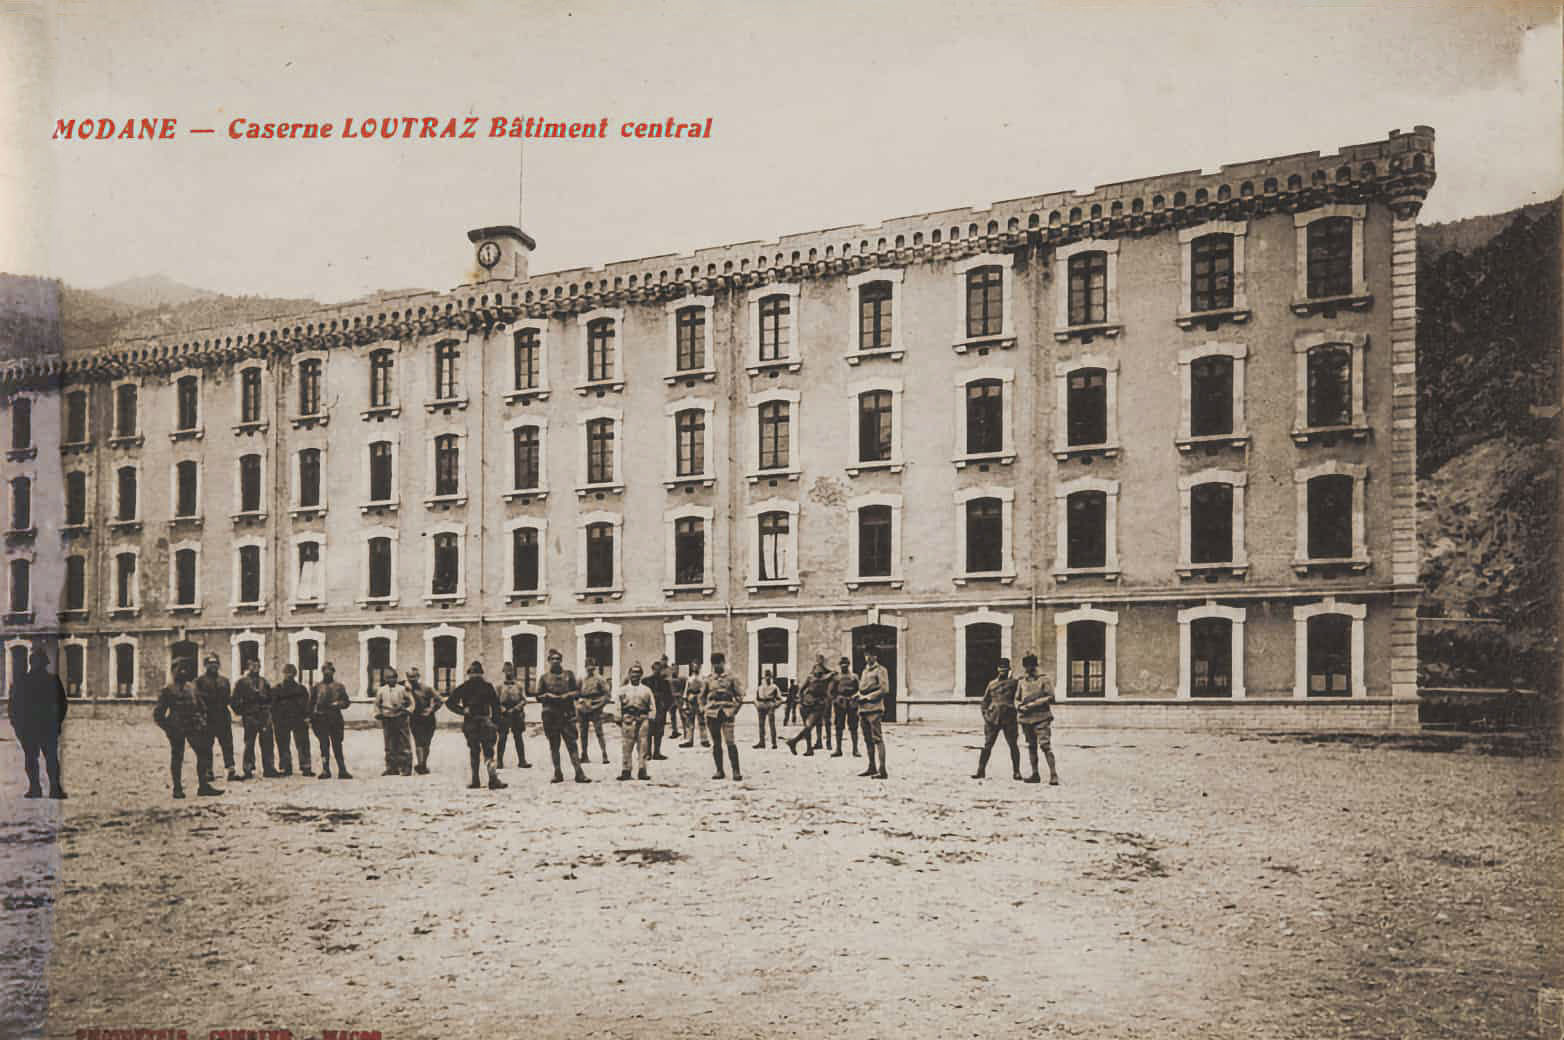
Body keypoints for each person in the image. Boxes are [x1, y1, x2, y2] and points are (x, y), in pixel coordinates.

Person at [152, 660, 220, 799]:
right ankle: (177, 788)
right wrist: (168, 728)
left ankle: (204, 786)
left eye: (185, 669)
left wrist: (202, 720)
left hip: (194, 726)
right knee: (177, 757)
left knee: (203, 753)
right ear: (173, 671)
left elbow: (201, 707)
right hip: (176, 728)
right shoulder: (168, 690)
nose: (182, 672)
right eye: (179, 669)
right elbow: (158, 714)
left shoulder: (192, 687)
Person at [9, 649, 68, 799]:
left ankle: (35, 788)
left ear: (31, 664)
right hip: (48, 727)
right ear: (45, 664)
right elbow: (62, 705)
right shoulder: (53, 680)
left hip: (28, 729)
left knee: (31, 758)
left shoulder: (22, 681)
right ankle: (54, 789)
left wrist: (18, 727)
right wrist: (57, 723)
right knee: (51, 759)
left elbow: (13, 707)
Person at [445, 661, 507, 790]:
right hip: (479, 722)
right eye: (474, 673)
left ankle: (480, 780)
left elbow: (450, 703)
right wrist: (495, 722)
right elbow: (495, 707)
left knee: (477, 751)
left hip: (477, 722)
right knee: (486, 751)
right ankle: (489, 779)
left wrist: (462, 710)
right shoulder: (482, 686)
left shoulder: (468, 686)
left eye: (476, 673)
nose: (475, 676)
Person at [536, 649, 590, 783]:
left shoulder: (569, 675)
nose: (555, 661)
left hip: (566, 714)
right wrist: (548, 696)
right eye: (553, 659)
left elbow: (578, 692)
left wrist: (568, 695)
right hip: (551, 715)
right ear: (549, 661)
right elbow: (538, 696)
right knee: (554, 745)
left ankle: (579, 773)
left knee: (572, 744)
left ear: (561, 660)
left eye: (558, 659)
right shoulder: (544, 678)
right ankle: (557, 773)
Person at [972, 657, 1022, 781]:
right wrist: (985, 715)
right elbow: (984, 701)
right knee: (987, 745)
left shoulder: (1014, 683)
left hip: (1009, 717)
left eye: (1005, 669)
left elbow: (1021, 695)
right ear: (997, 669)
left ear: (1009, 669)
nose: (1002, 671)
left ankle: (1016, 772)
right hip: (992, 718)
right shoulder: (992, 684)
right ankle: (981, 770)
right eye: (1001, 669)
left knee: (1013, 745)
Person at [1014, 654, 1060, 785]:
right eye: (1026, 666)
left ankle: (1053, 774)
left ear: (1035, 666)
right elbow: (1017, 698)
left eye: (1031, 666)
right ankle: (1035, 774)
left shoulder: (1044, 679)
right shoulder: (1021, 681)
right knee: (1031, 746)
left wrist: (1032, 705)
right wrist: (1019, 707)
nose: (1028, 668)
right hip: (1026, 719)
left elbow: (1050, 696)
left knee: (1045, 746)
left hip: (1041, 717)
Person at [194, 653, 240, 783]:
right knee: (207, 745)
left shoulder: (224, 681)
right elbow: (196, 699)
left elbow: (229, 698)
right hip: (207, 716)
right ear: (205, 665)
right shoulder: (199, 681)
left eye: (215, 663)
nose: (213, 666)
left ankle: (230, 769)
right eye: (210, 663)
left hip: (223, 716)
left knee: (227, 744)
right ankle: (208, 771)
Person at [232, 657, 280, 779]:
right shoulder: (241, 683)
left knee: (268, 742)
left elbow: (271, 698)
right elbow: (234, 700)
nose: (255, 668)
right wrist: (242, 711)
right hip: (250, 716)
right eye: (253, 665)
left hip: (264, 715)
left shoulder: (264, 682)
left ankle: (269, 768)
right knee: (249, 743)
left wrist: (269, 709)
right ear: (248, 667)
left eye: (258, 666)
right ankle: (248, 768)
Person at [702, 653, 743, 781]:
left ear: (723, 663)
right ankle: (719, 770)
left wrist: (734, 710)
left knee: (730, 742)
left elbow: (740, 696)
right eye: (714, 663)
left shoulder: (731, 678)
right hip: (712, 714)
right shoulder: (708, 679)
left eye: (719, 662)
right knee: (716, 743)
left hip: (727, 713)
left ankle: (736, 771)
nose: (717, 665)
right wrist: (704, 708)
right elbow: (701, 697)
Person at [308, 662, 352, 779]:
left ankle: (342, 770)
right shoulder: (317, 687)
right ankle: (325, 770)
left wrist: (339, 704)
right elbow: (311, 704)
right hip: (321, 719)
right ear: (322, 672)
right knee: (323, 746)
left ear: (333, 672)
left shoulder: (339, 687)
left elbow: (346, 702)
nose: (327, 673)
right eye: (325, 670)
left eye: (330, 670)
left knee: (337, 745)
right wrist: (311, 719)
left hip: (335, 718)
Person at [271, 663, 313, 776]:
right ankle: (286, 766)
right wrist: (274, 719)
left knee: (303, 743)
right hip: (282, 720)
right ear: (283, 674)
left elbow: (306, 705)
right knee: (283, 744)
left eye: (291, 673)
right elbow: (272, 706)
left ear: (295, 674)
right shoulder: (277, 689)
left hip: (298, 719)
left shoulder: (301, 689)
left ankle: (306, 766)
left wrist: (307, 717)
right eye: (286, 673)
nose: (289, 675)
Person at [373, 668, 415, 776]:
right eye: (388, 677)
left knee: (404, 743)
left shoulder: (402, 689)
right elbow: (377, 704)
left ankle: (406, 768)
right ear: (385, 679)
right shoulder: (381, 690)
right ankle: (391, 768)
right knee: (389, 744)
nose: (391, 680)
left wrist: (408, 711)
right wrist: (378, 713)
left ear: (396, 678)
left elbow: (411, 702)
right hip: (387, 718)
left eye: (393, 677)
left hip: (400, 718)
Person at [785, 659, 831, 756]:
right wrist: (801, 701)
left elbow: (834, 673)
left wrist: (825, 667)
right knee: (807, 727)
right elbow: (801, 690)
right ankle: (809, 748)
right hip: (806, 705)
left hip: (818, 706)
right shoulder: (810, 678)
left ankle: (794, 741)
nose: (818, 672)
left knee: (809, 726)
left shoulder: (826, 678)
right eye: (816, 669)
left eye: (820, 670)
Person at [616, 663, 654, 781]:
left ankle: (642, 770)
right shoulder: (623, 690)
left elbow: (652, 706)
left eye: (638, 673)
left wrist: (650, 717)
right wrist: (619, 718)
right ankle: (626, 770)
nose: (635, 675)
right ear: (629, 674)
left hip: (642, 718)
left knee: (643, 745)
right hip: (628, 719)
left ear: (641, 675)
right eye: (633, 672)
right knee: (626, 745)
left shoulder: (646, 690)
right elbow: (618, 705)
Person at [856, 648, 890, 780]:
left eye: (870, 655)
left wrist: (868, 697)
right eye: (866, 655)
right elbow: (862, 688)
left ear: (876, 656)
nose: (868, 658)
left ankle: (882, 770)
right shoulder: (865, 671)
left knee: (877, 739)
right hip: (863, 709)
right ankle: (871, 767)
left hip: (874, 709)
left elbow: (884, 689)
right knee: (867, 740)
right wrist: (858, 696)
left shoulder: (881, 670)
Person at [495, 661, 531, 769]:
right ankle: (499, 762)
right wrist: (503, 709)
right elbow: (495, 701)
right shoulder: (499, 686)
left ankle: (522, 761)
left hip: (517, 714)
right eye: (506, 670)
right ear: (503, 672)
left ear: (513, 671)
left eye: (510, 670)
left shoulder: (519, 686)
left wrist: (516, 708)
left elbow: (524, 700)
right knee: (502, 738)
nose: (509, 673)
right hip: (504, 715)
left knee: (518, 737)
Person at [406, 666, 441, 775]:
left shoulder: (427, 688)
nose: (412, 679)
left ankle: (423, 763)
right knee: (418, 741)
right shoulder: (405, 689)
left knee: (426, 742)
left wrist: (431, 710)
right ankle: (421, 765)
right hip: (415, 718)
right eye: (410, 677)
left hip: (428, 719)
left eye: (414, 677)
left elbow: (439, 700)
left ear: (418, 676)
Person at [576, 661, 612, 765]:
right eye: (588, 667)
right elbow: (576, 693)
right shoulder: (581, 679)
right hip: (583, 708)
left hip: (595, 707)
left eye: (592, 667)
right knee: (583, 732)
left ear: (595, 668)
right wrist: (579, 704)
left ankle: (604, 754)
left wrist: (598, 705)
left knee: (599, 732)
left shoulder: (600, 679)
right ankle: (584, 754)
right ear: (585, 667)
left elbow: (607, 695)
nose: (590, 669)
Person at [645, 656, 675, 759]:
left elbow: (670, 697)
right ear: (652, 669)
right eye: (655, 669)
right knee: (648, 732)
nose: (657, 672)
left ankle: (657, 752)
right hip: (649, 709)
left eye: (659, 670)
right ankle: (648, 753)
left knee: (659, 732)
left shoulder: (665, 682)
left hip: (661, 710)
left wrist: (665, 707)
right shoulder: (646, 681)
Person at [831, 656, 861, 758]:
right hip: (840, 704)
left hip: (852, 704)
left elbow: (859, 690)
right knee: (839, 726)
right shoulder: (836, 678)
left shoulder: (854, 677)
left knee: (854, 727)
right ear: (839, 666)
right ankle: (838, 749)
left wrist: (855, 697)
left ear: (849, 665)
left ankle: (855, 750)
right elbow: (831, 692)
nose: (844, 666)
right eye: (842, 665)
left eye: (846, 664)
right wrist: (836, 699)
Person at [753, 669, 781, 749]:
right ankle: (762, 742)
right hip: (761, 706)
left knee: (772, 725)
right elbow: (756, 698)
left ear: (771, 677)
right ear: (764, 677)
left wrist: (774, 705)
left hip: (770, 705)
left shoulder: (774, 687)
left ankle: (774, 743)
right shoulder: (760, 687)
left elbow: (780, 699)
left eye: (769, 676)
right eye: (766, 676)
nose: (767, 678)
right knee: (761, 725)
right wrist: (757, 705)